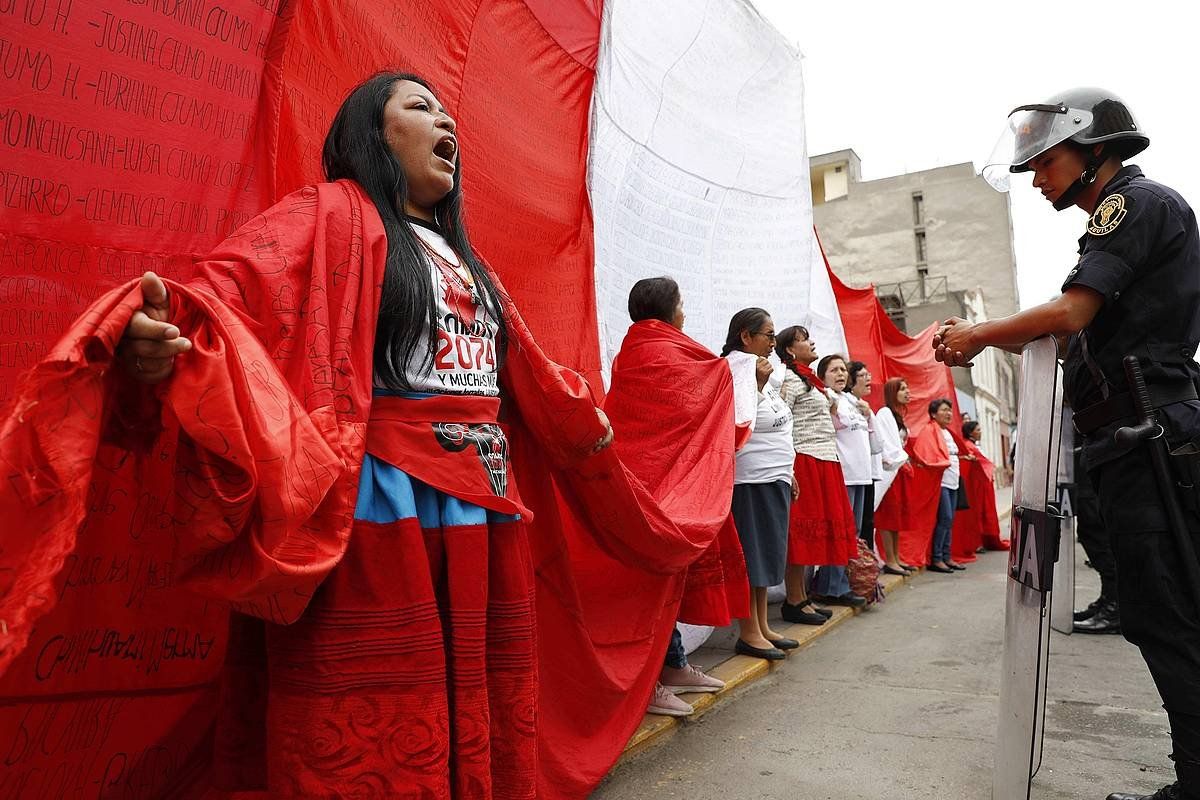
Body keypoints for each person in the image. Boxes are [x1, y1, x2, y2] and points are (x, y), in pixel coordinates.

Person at [0, 72, 715, 799]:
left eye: (445, 111)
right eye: (419, 106)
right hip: (380, 514)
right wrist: (161, 332)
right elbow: (235, 289)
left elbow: (525, 370)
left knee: (475, 714)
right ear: (373, 134)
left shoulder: (466, 256)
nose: (446, 121)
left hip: (481, 513)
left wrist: (592, 427)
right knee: (375, 732)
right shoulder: (330, 212)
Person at [936, 87, 1200, 800]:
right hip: (1130, 437)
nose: (1037, 177)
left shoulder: (1135, 205)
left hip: (1151, 434)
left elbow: (1072, 312)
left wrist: (976, 334)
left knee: (1170, 613)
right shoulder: (1117, 219)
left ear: (1095, 152)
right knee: (1163, 611)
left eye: (1046, 162)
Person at [608, 277, 732, 716]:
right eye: (682, 304)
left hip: (641, 481)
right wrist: (737, 368)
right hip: (656, 484)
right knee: (651, 586)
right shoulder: (669, 351)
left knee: (667, 579)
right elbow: (708, 382)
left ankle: (674, 664)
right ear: (669, 310)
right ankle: (649, 684)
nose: (685, 312)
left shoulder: (633, 349)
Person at [721, 309, 801, 659]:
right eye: (769, 335)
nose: (773, 342)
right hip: (750, 477)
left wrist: (789, 470)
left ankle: (762, 624)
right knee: (752, 555)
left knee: (767, 553)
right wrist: (753, 384)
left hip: (774, 474)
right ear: (745, 336)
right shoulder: (734, 368)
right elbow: (734, 420)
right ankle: (748, 631)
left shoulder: (761, 368)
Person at [775, 326, 856, 626]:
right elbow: (782, 424)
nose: (811, 342)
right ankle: (793, 599)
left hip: (824, 458)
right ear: (790, 350)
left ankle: (802, 596)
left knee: (813, 535)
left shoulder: (811, 381)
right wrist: (788, 465)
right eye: (803, 339)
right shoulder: (788, 379)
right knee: (802, 534)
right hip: (805, 459)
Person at [809, 354, 870, 607]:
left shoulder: (851, 400)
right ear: (822, 375)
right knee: (840, 532)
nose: (841, 374)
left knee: (851, 533)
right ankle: (834, 588)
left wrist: (868, 414)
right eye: (834, 370)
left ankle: (830, 584)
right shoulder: (826, 397)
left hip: (860, 474)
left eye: (843, 370)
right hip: (841, 473)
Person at [874, 377, 916, 575]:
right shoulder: (884, 413)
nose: (908, 392)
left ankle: (897, 558)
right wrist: (901, 458)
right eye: (903, 389)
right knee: (888, 517)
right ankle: (890, 560)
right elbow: (886, 445)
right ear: (893, 393)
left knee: (897, 517)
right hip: (889, 473)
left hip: (900, 473)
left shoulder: (898, 416)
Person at [926, 398, 964, 573]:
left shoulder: (947, 432)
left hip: (953, 480)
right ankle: (937, 558)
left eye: (950, 410)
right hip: (941, 482)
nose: (948, 413)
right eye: (944, 410)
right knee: (945, 518)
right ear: (934, 414)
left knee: (950, 520)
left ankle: (947, 556)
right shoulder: (931, 431)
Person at [847, 361, 883, 549]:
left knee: (862, 525)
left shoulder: (863, 406)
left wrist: (869, 416)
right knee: (851, 527)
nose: (868, 378)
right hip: (850, 474)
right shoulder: (842, 402)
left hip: (865, 474)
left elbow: (877, 445)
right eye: (863, 375)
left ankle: (861, 573)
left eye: (869, 374)